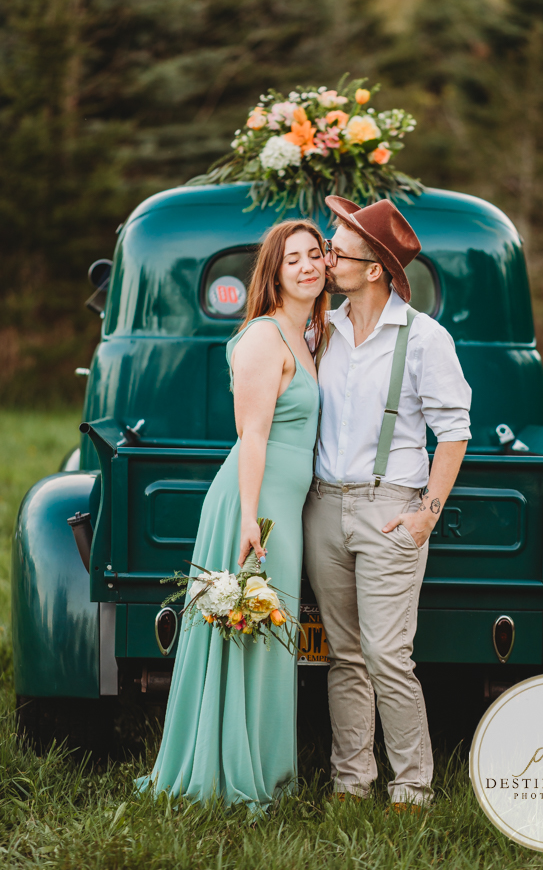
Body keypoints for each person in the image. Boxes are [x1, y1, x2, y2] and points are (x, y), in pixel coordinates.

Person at [138, 219, 327, 808]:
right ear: (273, 273)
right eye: (292, 258)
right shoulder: (263, 338)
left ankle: (266, 768)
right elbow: (253, 436)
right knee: (249, 630)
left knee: (271, 639)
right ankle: (226, 772)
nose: (307, 266)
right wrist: (249, 516)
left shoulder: (308, 336)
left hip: (285, 505)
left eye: (315, 254)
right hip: (255, 503)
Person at [303, 195, 472, 809]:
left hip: (392, 507)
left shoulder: (426, 339)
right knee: (343, 655)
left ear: (374, 268)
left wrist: (427, 510)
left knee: (386, 654)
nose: (326, 258)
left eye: (336, 250)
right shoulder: (323, 328)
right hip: (323, 507)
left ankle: (412, 787)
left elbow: (454, 430)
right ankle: (351, 782)